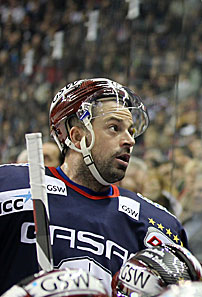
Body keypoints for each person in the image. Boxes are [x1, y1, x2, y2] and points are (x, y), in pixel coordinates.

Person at [0, 78, 188, 294]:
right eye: (114, 128)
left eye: (131, 131)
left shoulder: (157, 224)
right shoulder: (9, 186)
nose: (130, 140)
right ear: (77, 137)